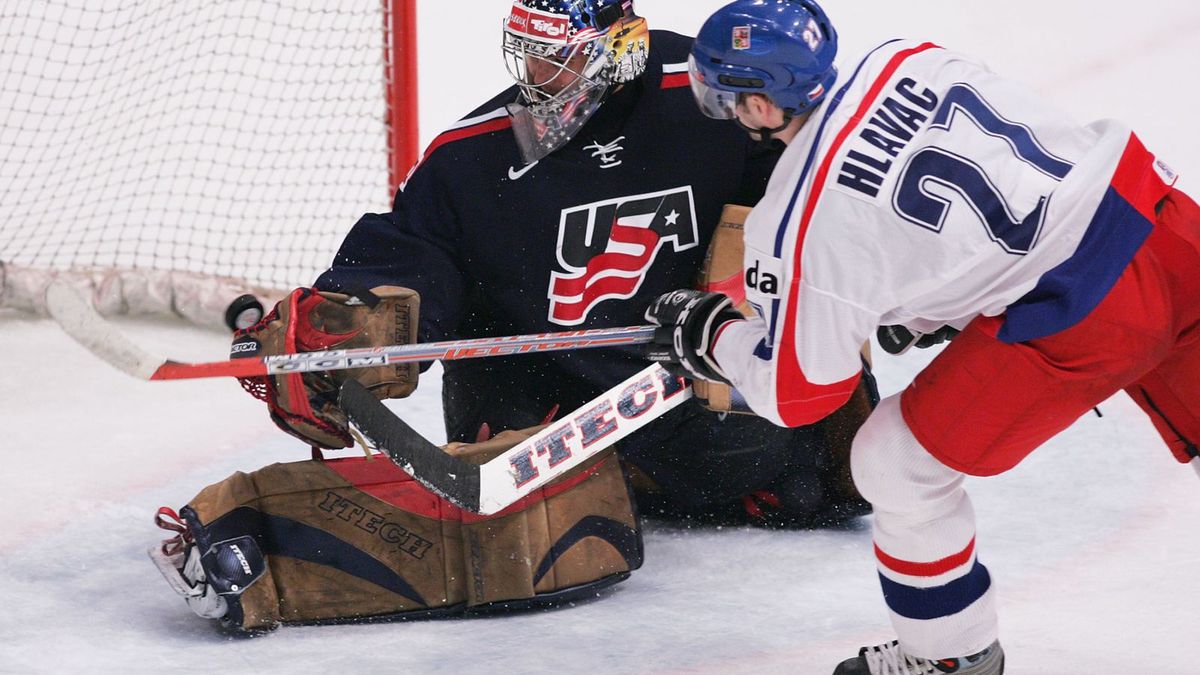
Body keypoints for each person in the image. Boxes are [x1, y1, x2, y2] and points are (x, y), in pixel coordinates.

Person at [646, 0, 1200, 673]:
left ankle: (949, 656)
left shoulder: (799, 222)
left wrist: (716, 333)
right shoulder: (907, 55)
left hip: (1080, 315)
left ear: (762, 108)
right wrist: (934, 298)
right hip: (1159, 222)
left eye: (724, 95)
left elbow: (799, 395)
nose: (721, 109)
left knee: (894, 462)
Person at [306, 0, 877, 527]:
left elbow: (798, 164)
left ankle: (655, 473)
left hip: (680, 358)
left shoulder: (706, 88)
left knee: (792, 471)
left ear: (620, 44)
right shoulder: (472, 157)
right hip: (541, 373)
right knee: (509, 504)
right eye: (530, 56)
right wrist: (357, 314)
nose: (538, 79)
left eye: (559, 58)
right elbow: (415, 249)